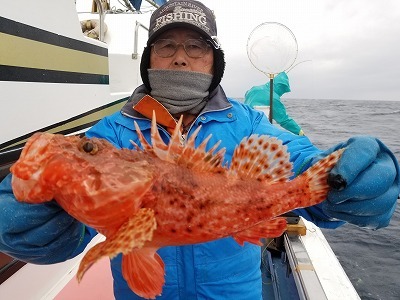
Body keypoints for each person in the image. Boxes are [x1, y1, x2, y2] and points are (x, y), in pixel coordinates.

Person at [0, 0, 399, 299]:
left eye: (196, 48)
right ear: (149, 59)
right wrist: (35, 227)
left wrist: (342, 178)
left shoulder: (249, 124)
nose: (180, 58)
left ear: (214, 62)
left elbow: (297, 160)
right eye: (166, 46)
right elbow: (78, 223)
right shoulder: (113, 134)